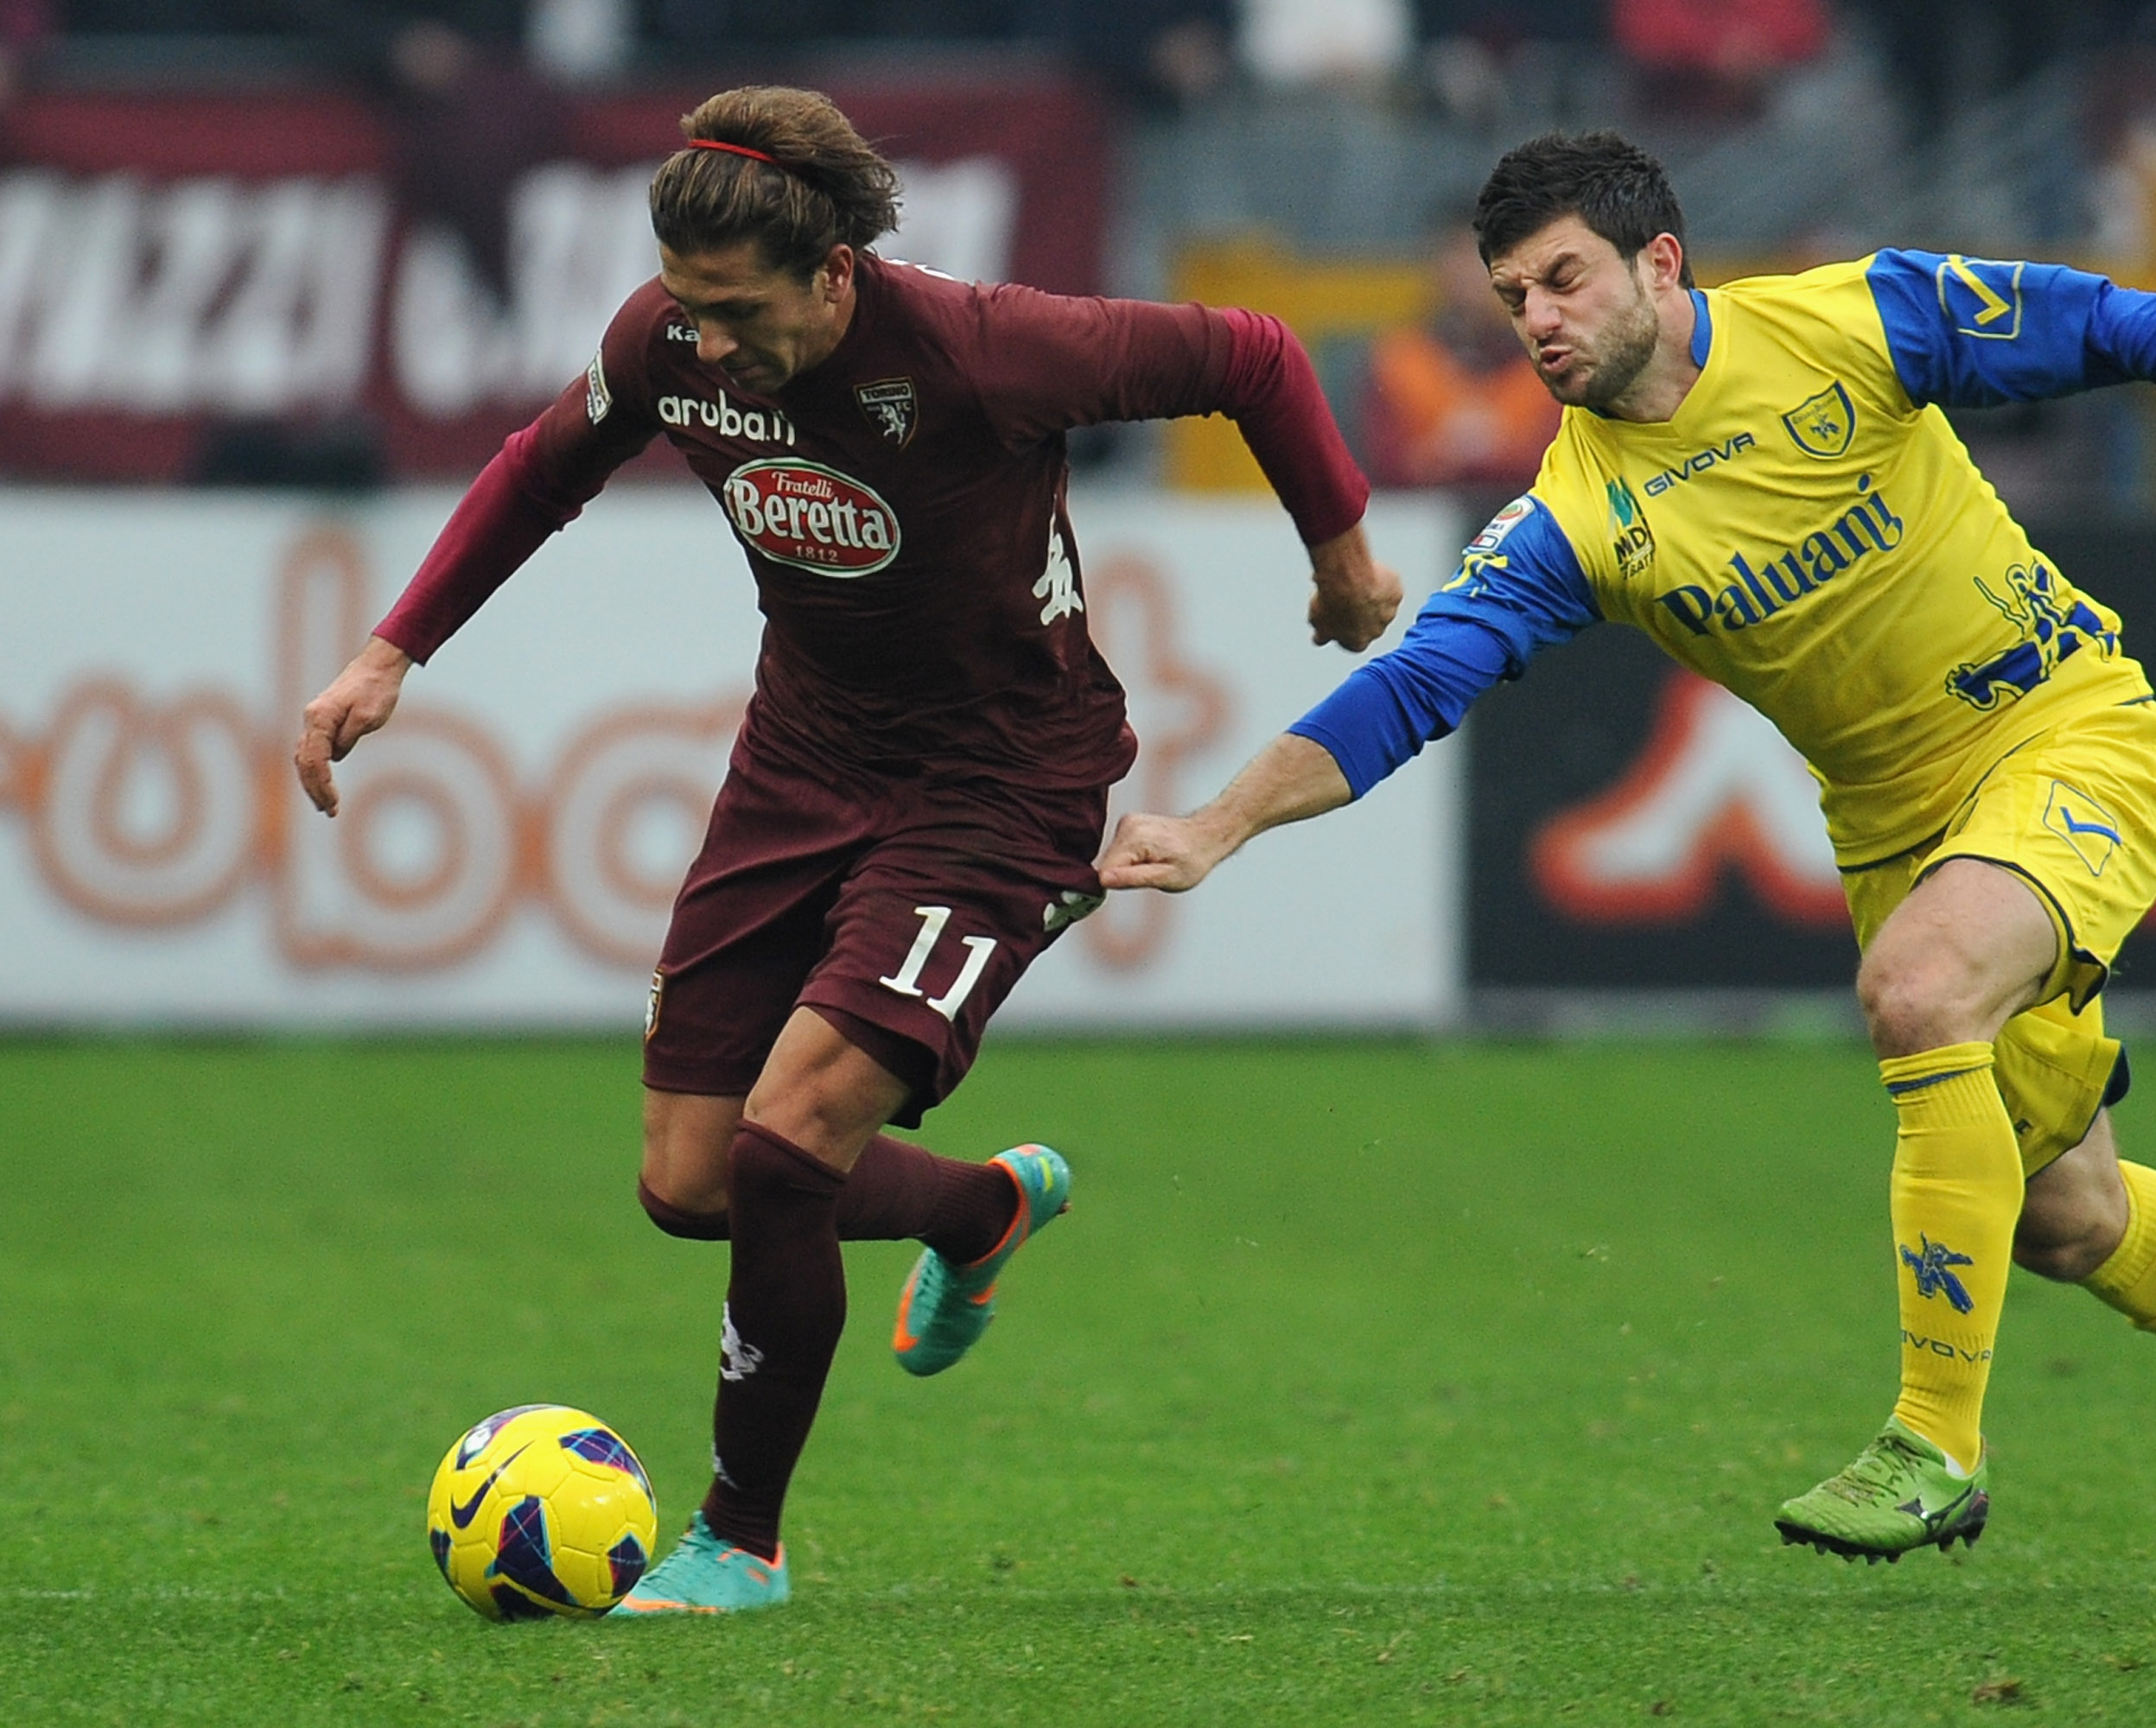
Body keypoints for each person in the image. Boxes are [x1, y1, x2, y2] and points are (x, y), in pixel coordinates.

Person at [1097, 130, 2156, 1579]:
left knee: (1922, 993)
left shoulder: (1854, 320)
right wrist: (1211, 825)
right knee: (2068, 1219)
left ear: (1659, 262)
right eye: (1514, 301)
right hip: (1897, 831)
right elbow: (1411, 688)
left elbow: (2107, 319)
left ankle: (1936, 1446)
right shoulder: (1575, 518)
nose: (1538, 321)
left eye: (1562, 280)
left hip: (2067, 731)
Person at [295, 84, 1401, 1616]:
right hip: (801, 764)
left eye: (736, 311)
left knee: (788, 1135)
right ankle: (974, 1209)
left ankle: (738, 1541)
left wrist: (1342, 557)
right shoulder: (667, 344)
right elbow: (543, 465)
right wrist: (388, 652)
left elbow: (1253, 354)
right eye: (686, 306)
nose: (709, 343)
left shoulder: (980, 348)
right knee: (690, 1182)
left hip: (998, 784)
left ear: (834, 277)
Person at [1360, 210, 1566, 492]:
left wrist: (1496, 452)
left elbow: (1568, 459)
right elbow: (1381, 463)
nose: (1468, 272)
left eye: (1480, 259)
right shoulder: (1401, 359)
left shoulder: (1546, 359)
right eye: (1457, 256)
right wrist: (1439, 454)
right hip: (1422, 522)